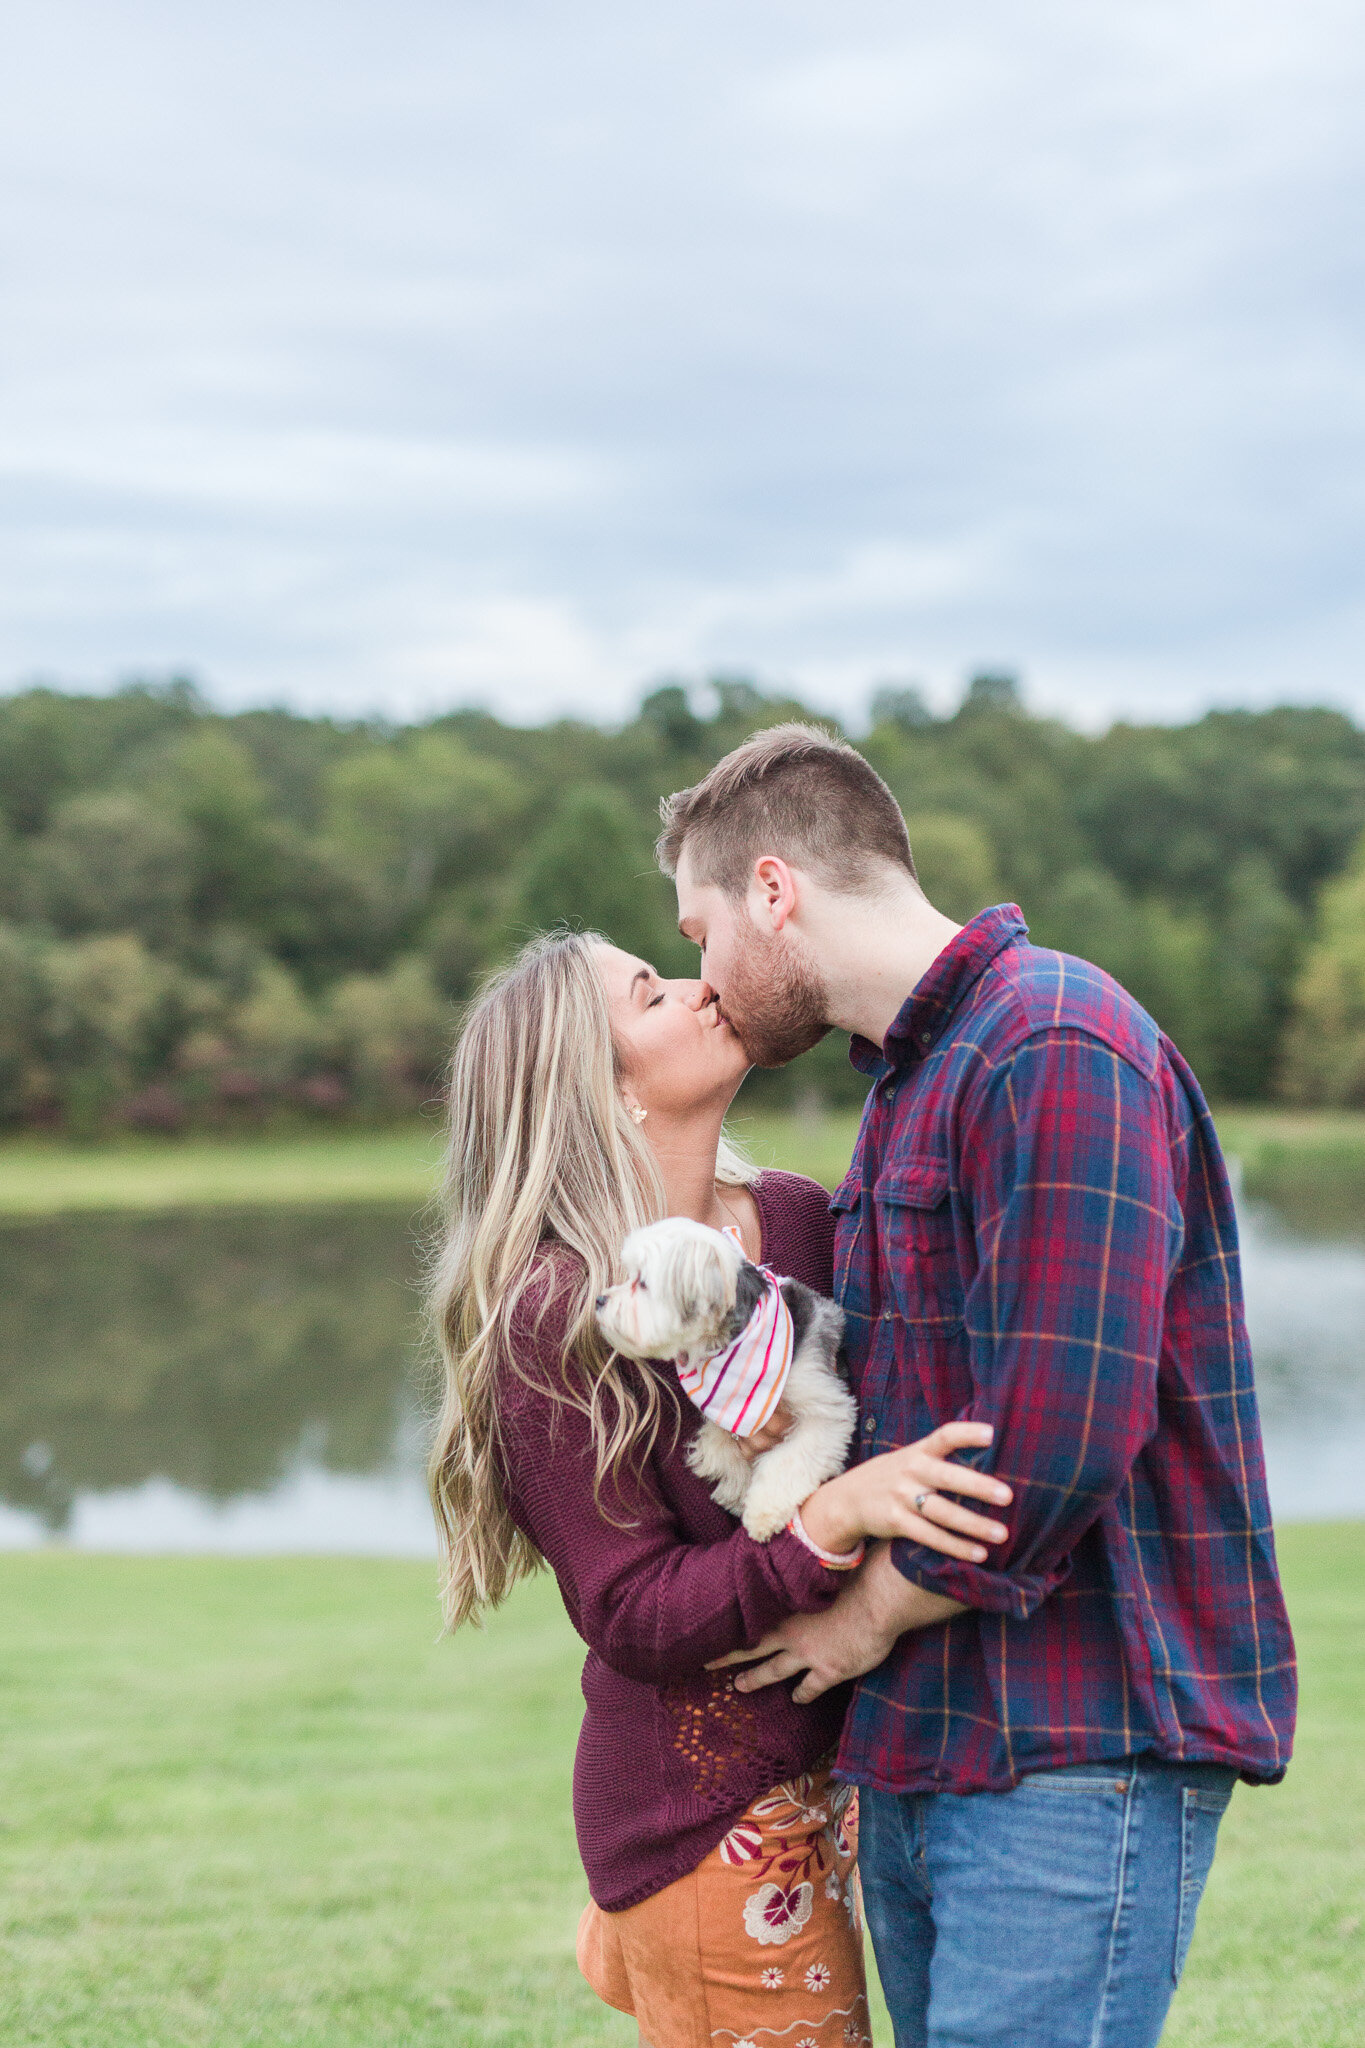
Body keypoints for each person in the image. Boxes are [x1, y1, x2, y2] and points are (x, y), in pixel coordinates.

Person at [656, 723, 1297, 2048]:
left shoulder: (1051, 1041)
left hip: (1073, 1743)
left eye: (700, 926)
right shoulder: (912, 1079)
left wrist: (863, 1622)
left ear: (774, 891)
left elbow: (1059, 1435)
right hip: (928, 1747)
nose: (701, 974)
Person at [426, 928, 1013, 2048]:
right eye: (652, 994)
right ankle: (650, 1926)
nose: (702, 989)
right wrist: (828, 1519)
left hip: (842, 1779)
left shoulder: (793, 1218)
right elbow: (631, 1609)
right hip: (703, 1812)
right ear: (600, 1087)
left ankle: (646, 1944)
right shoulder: (562, 1313)